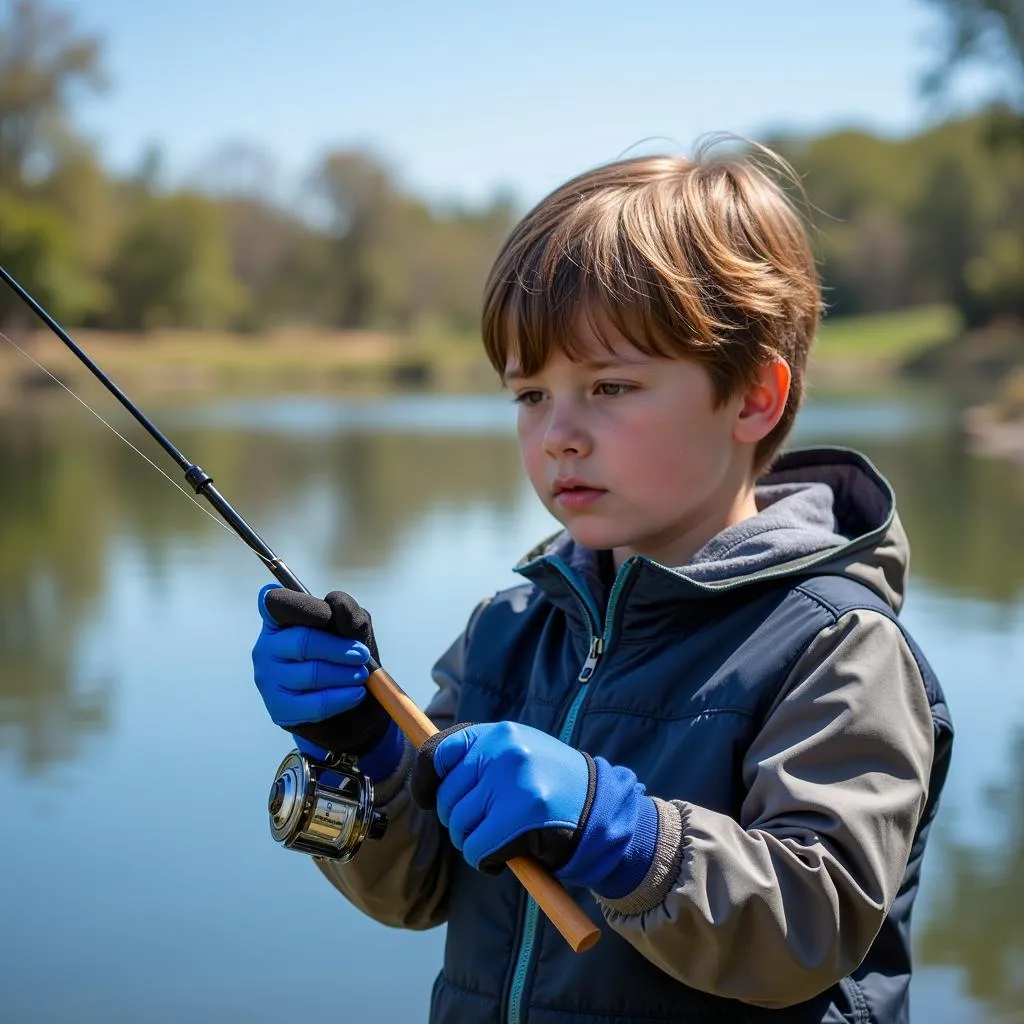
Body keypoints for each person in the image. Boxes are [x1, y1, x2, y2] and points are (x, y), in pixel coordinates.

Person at [250, 142, 954, 1024]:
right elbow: (413, 892)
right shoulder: (508, 629)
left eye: (611, 386)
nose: (559, 436)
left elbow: (809, 928)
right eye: (529, 395)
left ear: (753, 400)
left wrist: (619, 833)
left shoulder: (837, 647)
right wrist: (361, 750)